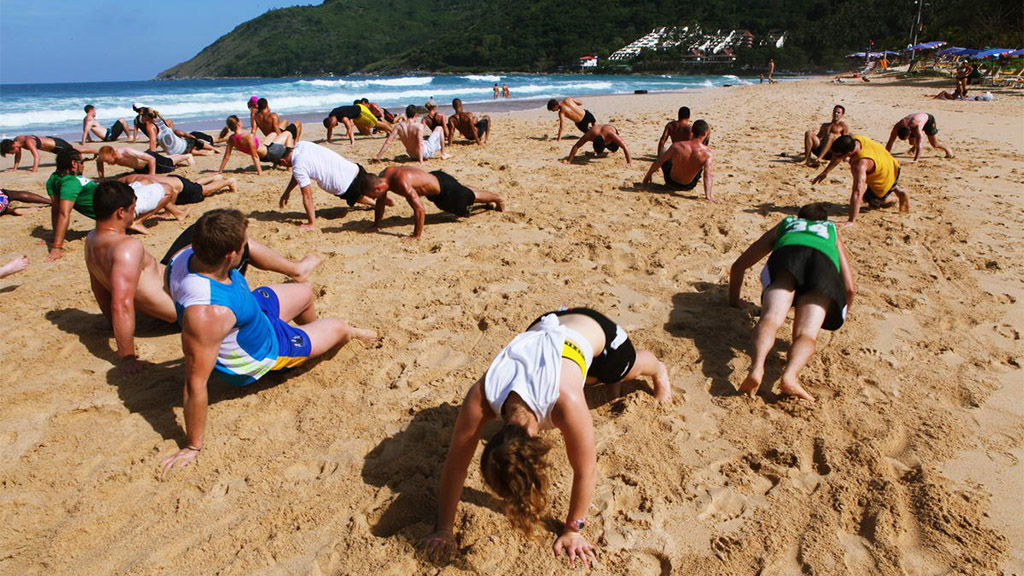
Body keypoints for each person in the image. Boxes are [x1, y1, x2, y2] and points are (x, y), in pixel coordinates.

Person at [422, 307, 671, 566]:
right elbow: (456, 466)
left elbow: (586, 470)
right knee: (590, 377)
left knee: (625, 370)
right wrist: (444, 529)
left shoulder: (567, 401)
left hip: (593, 327)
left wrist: (573, 530)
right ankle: (594, 375)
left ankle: (658, 369)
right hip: (544, 324)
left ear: (535, 434)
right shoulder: (480, 397)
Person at [160, 209, 377, 475]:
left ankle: (308, 336)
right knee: (339, 326)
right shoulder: (208, 314)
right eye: (243, 246)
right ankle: (323, 340)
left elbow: (177, 293)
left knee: (305, 291)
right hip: (263, 351)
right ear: (230, 255)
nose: (247, 247)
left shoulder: (181, 258)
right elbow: (195, 382)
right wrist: (193, 445)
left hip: (249, 315)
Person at [85, 183, 320, 374]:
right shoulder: (127, 247)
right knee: (237, 242)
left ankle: (294, 270)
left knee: (203, 229)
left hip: (169, 286)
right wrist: (127, 356)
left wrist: (109, 322)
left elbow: (100, 287)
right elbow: (121, 302)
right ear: (120, 212)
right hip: (179, 304)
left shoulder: (93, 240)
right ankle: (296, 270)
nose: (134, 215)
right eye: (133, 210)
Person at [729, 203, 855, 402]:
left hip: (788, 258)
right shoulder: (831, 230)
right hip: (823, 267)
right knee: (807, 334)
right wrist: (842, 312)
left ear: (799, 217)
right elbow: (850, 288)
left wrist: (734, 301)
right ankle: (790, 376)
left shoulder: (787, 224)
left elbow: (738, 266)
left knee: (770, 319)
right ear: (823, 222)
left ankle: (756, 368)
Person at [46, 149, 175, 260]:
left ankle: (177, 213)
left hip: (116, 198)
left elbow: (55, 209)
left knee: (145, 181)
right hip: (122, 208)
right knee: (168, 189)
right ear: (74, 164)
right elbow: (63, 213)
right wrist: (57, 246)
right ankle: (137, 221)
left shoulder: (53, 178)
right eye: (82, 162)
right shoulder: (71, 184)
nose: (83, 166)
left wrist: (53, 236)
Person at [359, 166, 506, 240]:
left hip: (444, 189)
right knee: (464, 192)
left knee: (469, 199)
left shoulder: (401, 182)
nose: (372, 199)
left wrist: (416, 235)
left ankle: (498, 198)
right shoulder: (384, 176)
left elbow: (420, 210)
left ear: (377, 188)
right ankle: (486, 198)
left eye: (372, 195)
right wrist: (376, 224)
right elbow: (380, 203)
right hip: (436, 179)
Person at [276, 141, 392, 229]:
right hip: (354, 169)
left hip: (345, 187)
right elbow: (298, 173)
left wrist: (311, 223)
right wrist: (287, 192)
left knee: (357, 196)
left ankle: (375, 203)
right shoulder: (302, 145)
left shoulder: (298, 167)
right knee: (368, 186)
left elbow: (307, 196)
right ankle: (383, 198)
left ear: (282, 161)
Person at [811, 134, 909, 225]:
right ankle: (894, 188)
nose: (835, 157)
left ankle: (896, 197)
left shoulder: (860, 164)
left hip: (885, 176)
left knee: (871, 201)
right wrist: (825, 172)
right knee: (878, 184)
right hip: (892, 164)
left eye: (838, 155)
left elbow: (857, 191)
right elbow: (838, 156)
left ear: (849, 153)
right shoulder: (855, 139)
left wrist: (851, 220)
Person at [642, 120, 717, 203]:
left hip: (670, 181)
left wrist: (647, 177)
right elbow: (708, 175)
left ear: (692, 131)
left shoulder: (677, 146)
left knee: (664, 154)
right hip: (688, 185)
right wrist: (708, 196)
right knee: (701, 164)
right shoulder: (707, 153)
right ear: (705, 133)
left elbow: (659, 162)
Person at [218, 115, 294, 176]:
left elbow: (226, 156)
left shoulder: (231, 139)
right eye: (240, 120)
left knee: (273, 134)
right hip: (269, 153)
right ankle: (289, 167)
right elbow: (254, 156)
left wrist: (220, 171)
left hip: (264, 151)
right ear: (238, 123)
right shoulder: (248, 137)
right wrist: (260, 172)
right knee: (288, 133)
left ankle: (276, 162)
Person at [373, 105, 451, 163]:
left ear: (407, 114)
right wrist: (421, 161)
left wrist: (378, 156)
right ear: (416, 115)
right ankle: (443, 153)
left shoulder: (398, 126)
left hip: (412, 155)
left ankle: (378, 156)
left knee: (425, 141)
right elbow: (420, 144)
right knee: (439, 128)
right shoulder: (418, 126)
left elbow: (388, 142)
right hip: (423, 153)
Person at [119, 173, 236, 206]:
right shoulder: (130, 179)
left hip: (179, 187)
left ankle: (228, 181)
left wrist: (168, 211)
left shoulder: (143, 187)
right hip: (174, 179)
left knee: (204, 191)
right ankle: (215, 177)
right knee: (195, 185)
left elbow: (172, 191)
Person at [140, 109, 217, 157]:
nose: (141, 117)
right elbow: (171, 123)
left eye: (142, 115)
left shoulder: (150, 126)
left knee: (188, 146)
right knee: (193, 141)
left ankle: (203, 153)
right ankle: (214, 149)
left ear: (146, 116)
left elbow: (153, 144)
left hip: (173, 153)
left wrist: (150, 155)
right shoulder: (163, 121)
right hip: (182, 147)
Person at [1, 135, 97, 173]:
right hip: (52, 148)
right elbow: (18, 155)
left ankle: (97, 151)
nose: (13, 154)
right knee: (75, 150)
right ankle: (96, 152)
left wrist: (34, 170)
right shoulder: (17, 141)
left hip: (56, 145)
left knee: (75, 150)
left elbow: (36, 156)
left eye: (11, 153)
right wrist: (15, 168)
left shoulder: (28, 141)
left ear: (13, 147)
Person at [885, 113, 954, 162]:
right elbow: (890, 142)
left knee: (934, 144)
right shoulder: (897, 127)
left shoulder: (916, 127)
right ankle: (914, 145)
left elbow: (920, 145)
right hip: (914, 122)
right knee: (912, 142)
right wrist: (885, 155)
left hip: (928, 120)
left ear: (910, 133)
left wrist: (915, 160)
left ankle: (948, 149)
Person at [96, 145, 192, 177]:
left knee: (170, 164)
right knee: (167, 159)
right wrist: (102, 176)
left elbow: (151, 159)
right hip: (140, 168)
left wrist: (151, 176)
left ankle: (187, 156)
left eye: (109, 161)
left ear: (115, 154)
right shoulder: (106, 156)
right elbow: (98, 161)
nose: (108, 164)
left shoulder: (126, 151)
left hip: (150, 160)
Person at [565, 124, 633, 167]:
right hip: (599, 134)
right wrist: (569, 160)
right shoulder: (589, 134)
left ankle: (604, 149)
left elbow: (625, 146)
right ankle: (598, 151)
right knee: (599, 152)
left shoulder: (611, 134)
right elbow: (576, 146)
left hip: (609, 131)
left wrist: (629, 162)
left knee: (614, 149)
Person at [323, 104, 392, 144]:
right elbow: (329, 129)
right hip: (356, 115)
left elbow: (349, 128)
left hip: (361, 111)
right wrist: (328, 140)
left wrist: (352, 142)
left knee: (376, 123)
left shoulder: (343, 118)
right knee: (372, 125)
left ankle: (392, 131)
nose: (334, 127)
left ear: (332, 122)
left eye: (333, 126)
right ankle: (388, 132)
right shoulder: (331, 116)